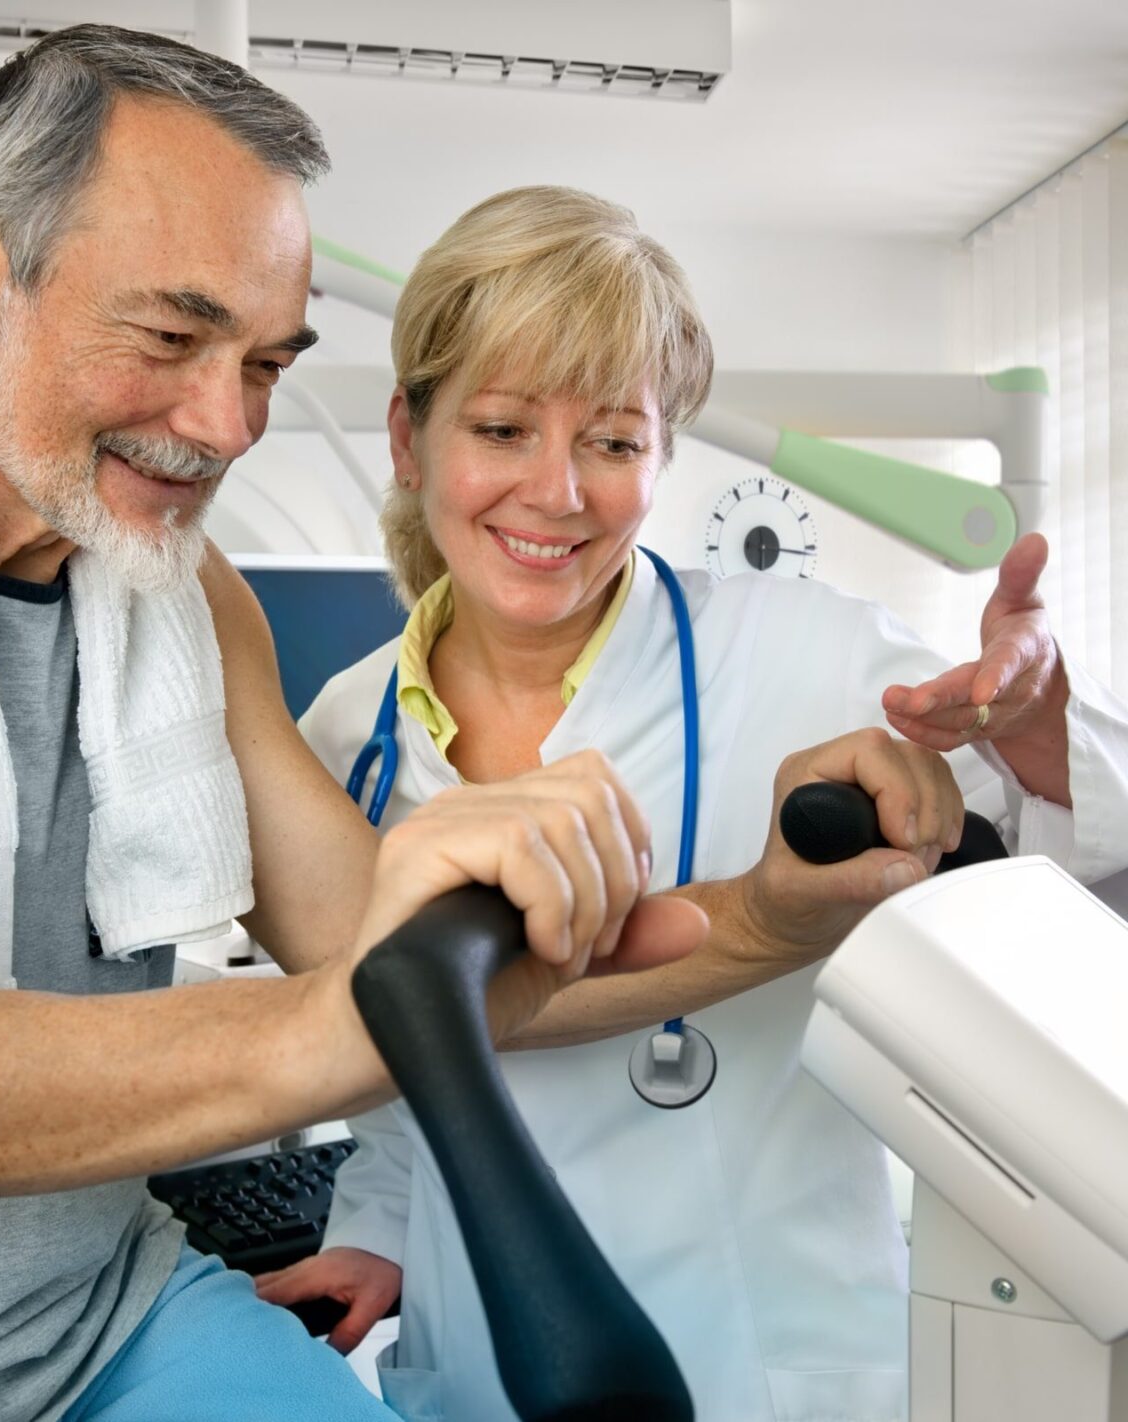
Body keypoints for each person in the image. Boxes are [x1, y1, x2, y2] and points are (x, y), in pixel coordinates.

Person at [0, 36, 709, 1422]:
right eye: (170, 337)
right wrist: (319, 1030)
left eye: (265, 361)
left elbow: (361, 943)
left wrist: (783, 912)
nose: (224, 425)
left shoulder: (182, 590)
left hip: (91, 1319)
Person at [255, 186, 1128, 1422]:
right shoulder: (348, 732)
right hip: (488, 1362)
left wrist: (1035, 725)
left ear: (662, 456)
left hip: (771, 1357)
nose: (556, 493)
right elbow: (408, 1067)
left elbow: (1083, 862)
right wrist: (379, 1230)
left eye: (611, 442)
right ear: (409, 437)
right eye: (502, 429)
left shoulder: (805, 655)